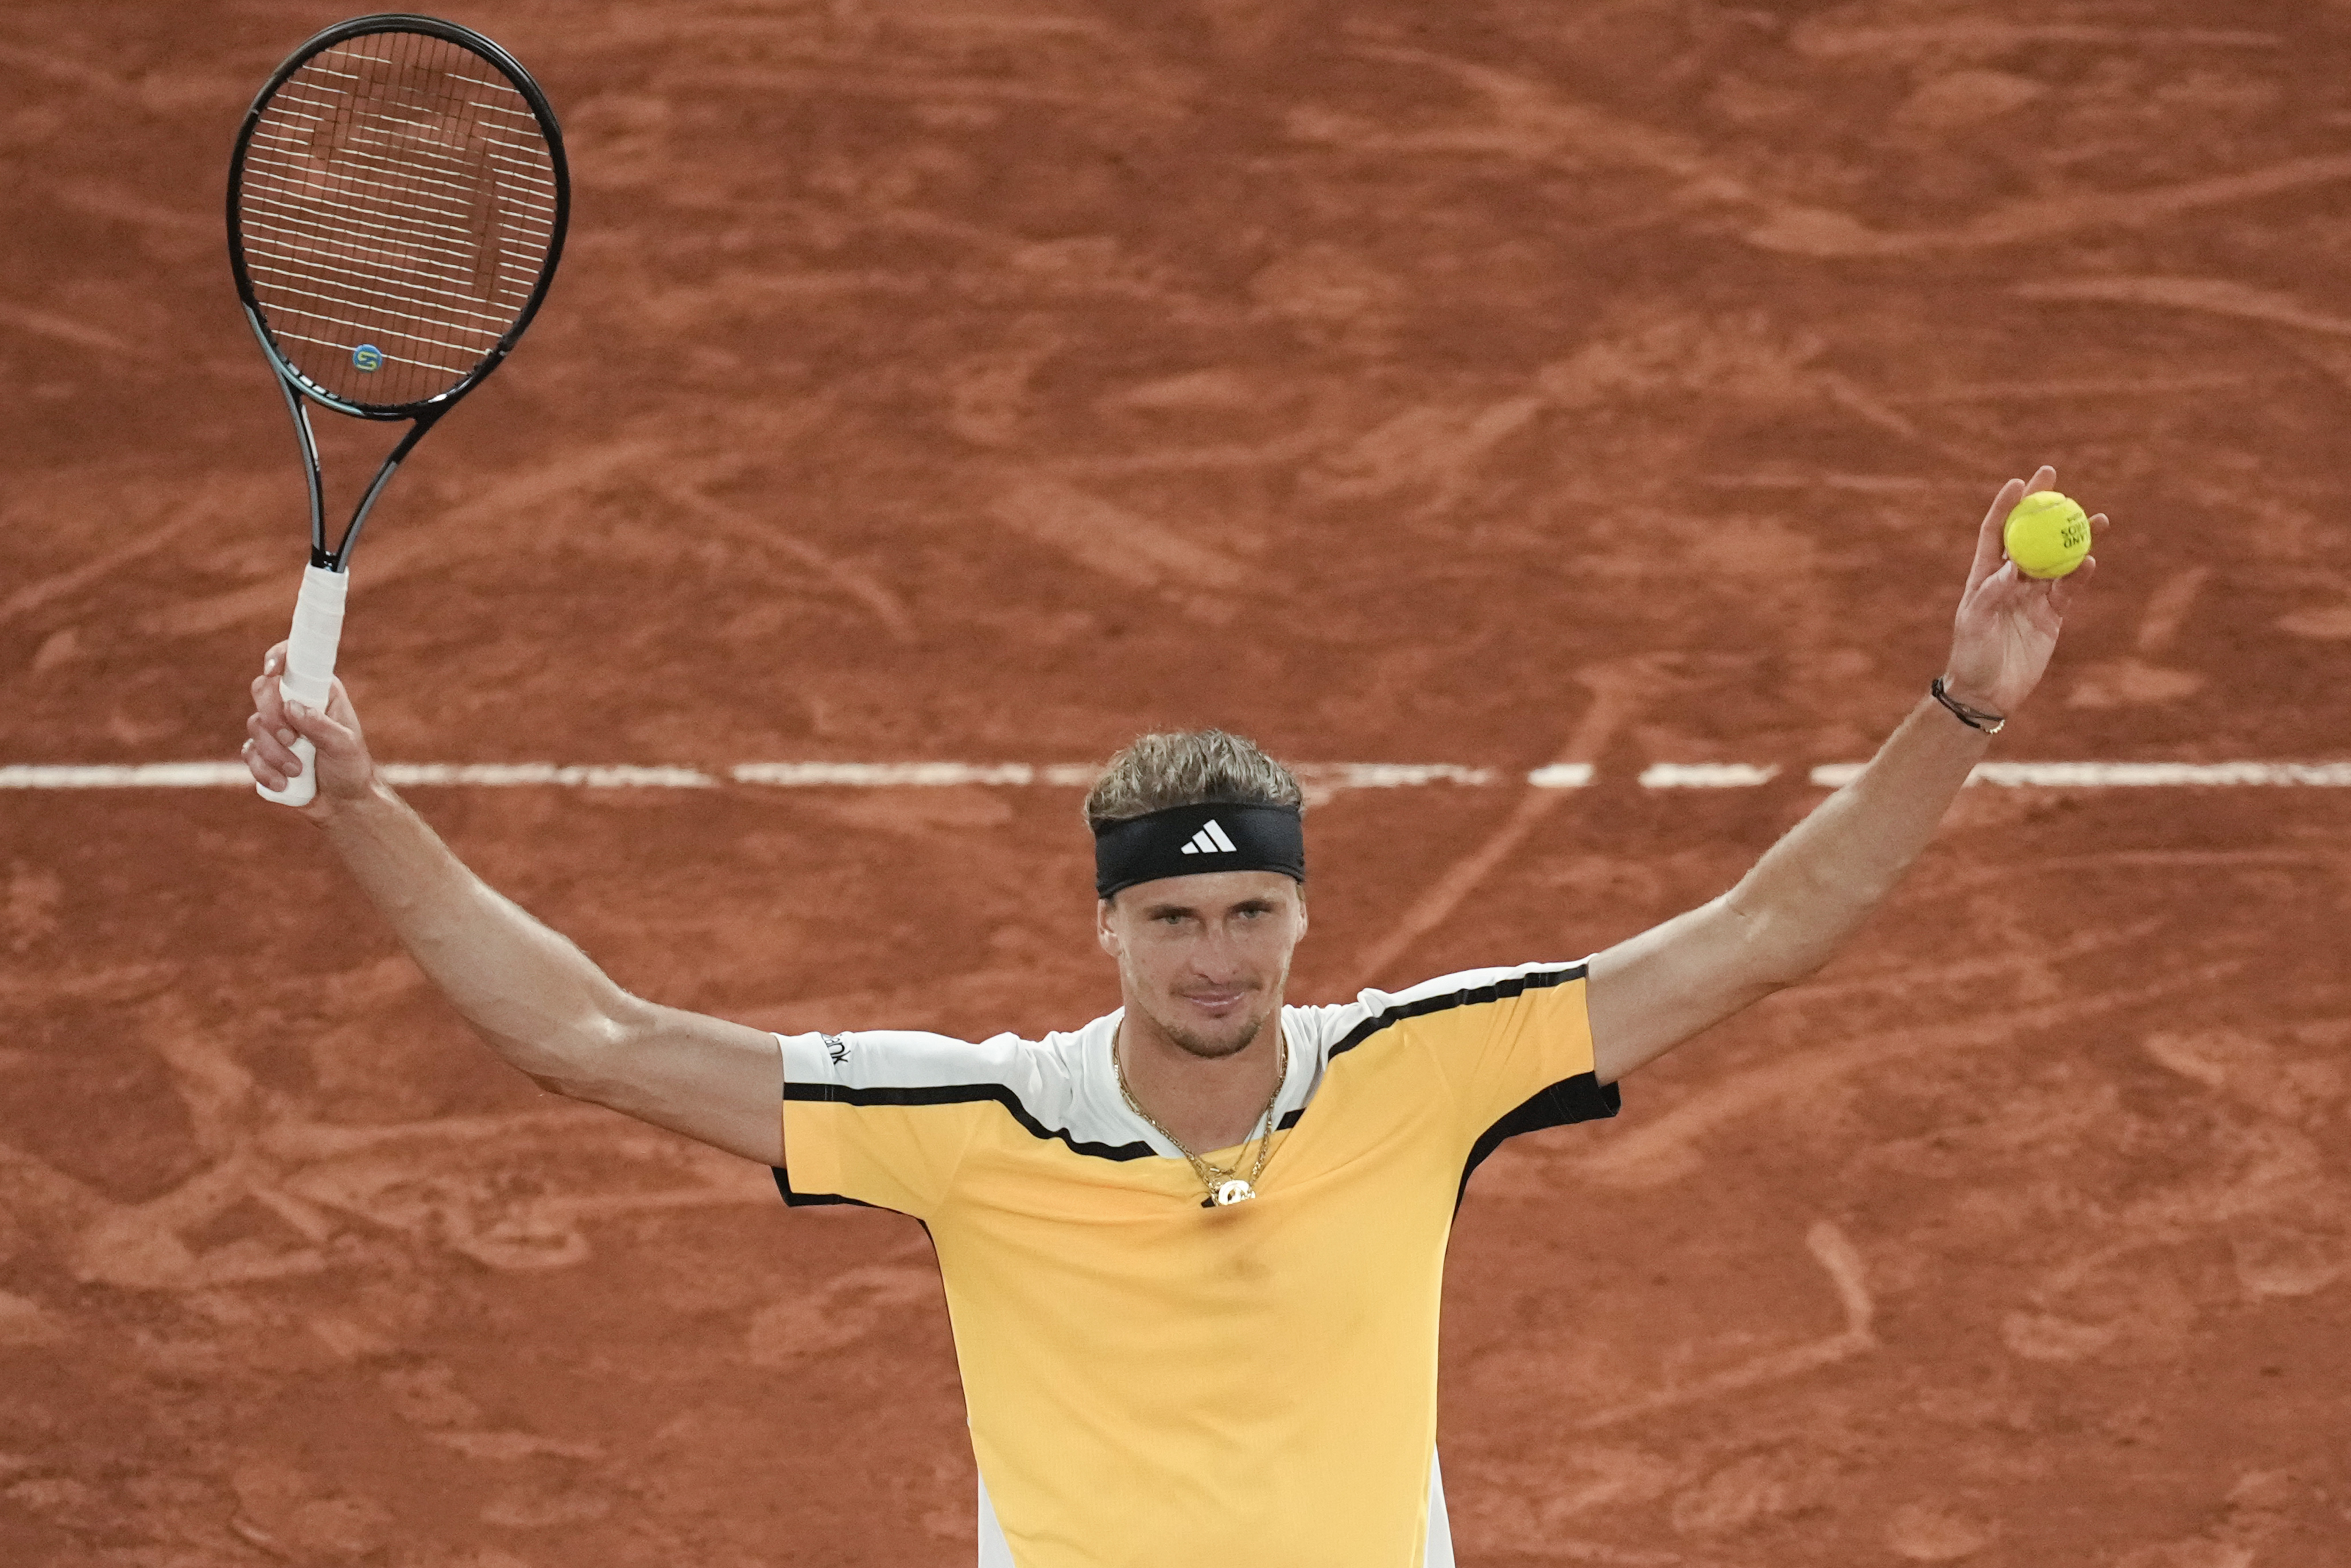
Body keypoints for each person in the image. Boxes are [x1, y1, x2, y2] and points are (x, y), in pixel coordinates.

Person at [240, 470, 2102, 1567]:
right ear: (1107, 925)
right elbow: (594, 1037)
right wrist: (361, 803)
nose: (1219, 958)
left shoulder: (1425, 1070)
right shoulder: (974, 1125)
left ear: (1302, 913)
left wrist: (1960, 710)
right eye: (1175, 918)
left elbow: (1761, 932)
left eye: (1251, 913)